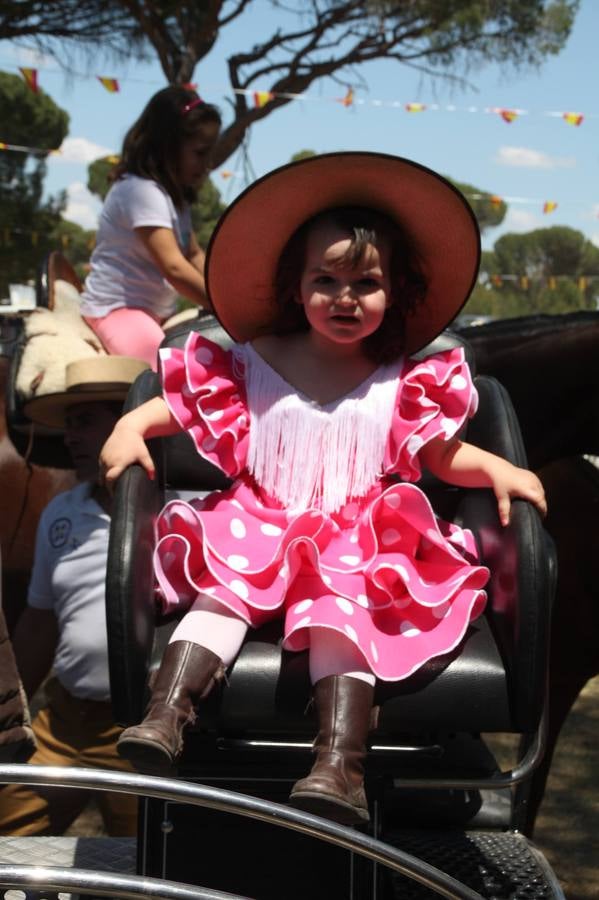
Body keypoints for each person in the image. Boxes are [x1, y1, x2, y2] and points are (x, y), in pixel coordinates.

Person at [99, 153, 547, 826]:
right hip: (261, 518)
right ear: (295, 285)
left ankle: (339, 765)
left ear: (394, 291)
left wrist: (498, 469)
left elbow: (439, 452)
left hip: (355, 535)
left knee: (341, 616)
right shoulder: (254, 360)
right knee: (224, 593)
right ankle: (167, 717)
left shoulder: (401, 379)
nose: (344, 296)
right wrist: (131, 425)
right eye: (325, 280)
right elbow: (179, 407)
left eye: (364, 282)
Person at [0, 355, 148, 836]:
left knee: (148, 865)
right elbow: (40, 621)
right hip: (61, 724)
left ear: (129, 419)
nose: (70, 437)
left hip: (139, 729)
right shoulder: (62, 512)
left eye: (84, 422)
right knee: (10, 842)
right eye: (69, 424)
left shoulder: (180, 512)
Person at [79, 85, 221, 370]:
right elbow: (175, 267)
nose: (208, 164)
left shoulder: (174, 197)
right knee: (169, 373)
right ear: (167, 145)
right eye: (200, 152)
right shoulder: (141, 191)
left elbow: (192, 254)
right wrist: (225, 304)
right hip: (116, 310)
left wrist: (223, 286)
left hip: (155, 312)